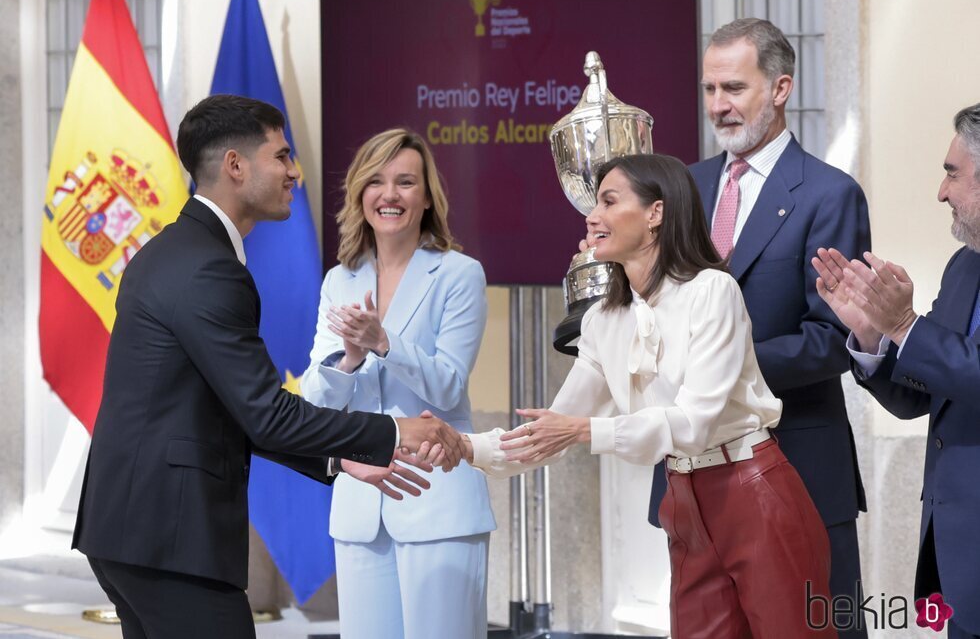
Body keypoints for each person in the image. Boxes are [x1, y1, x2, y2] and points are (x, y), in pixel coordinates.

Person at [71, 96, 464, 639]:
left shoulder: (174, 250)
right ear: (236, 165)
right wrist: (394, 430)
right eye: (281, 156)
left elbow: (228, 406)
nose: (293, 172)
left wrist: (339, 461)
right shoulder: (208, 268)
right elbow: (265, 412)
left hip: (132, 530)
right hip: (171, 537)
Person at [466, 153, 836, 638]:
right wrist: (465, 448)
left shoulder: (713, 291)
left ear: (656, 213)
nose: (592, 216)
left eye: (609, 201)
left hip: (753, 491)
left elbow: (693, 423)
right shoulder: (602, 321)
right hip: (683, 503)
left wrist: (583, 431)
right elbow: (554, 428)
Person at [629, 18, 871, 635]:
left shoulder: (829, 194)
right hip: (692, 480)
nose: (718, 106)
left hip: (798, 469)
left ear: (782, 87)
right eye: (710, 90)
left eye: (733, 88)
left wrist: (720, 368)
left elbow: (833, 339)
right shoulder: (684, 186)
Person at [301, 128, 495, 639]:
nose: (389, 195)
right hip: (360, 508)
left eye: (405, 182)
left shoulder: (459, 274)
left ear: (427, 197)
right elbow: (317, 399)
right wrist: (350, 357)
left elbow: (449, 387)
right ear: (360, 193)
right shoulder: (339, 280)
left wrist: (385, 343)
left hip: (439, 502)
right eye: (377, 181)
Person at [812, 103, 980, 639]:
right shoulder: (964, 265)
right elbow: (923, 393)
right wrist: (870, 334)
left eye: (953, 174)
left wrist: (905, 323)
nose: (941, 191)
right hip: (958, 552)